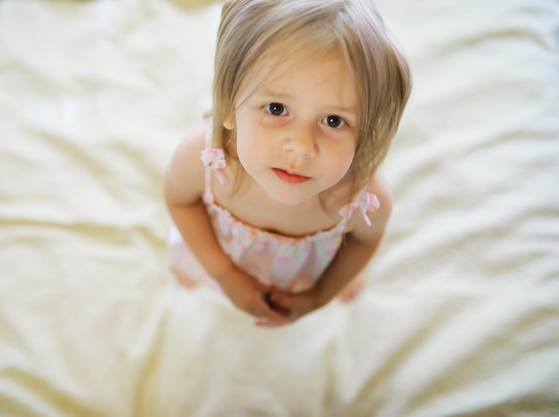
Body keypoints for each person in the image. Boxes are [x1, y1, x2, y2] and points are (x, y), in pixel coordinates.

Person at [163, 0, 411, 326]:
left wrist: (320, 294)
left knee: (348, 276)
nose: (302, 147)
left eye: (334, 120)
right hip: (219, 255)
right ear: (228, 105)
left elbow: (364, 242)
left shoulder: (359, 201)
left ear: (365, 131)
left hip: (302, 276)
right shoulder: (206, 161)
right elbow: (180, 202)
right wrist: (225, 275)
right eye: (277, 109)